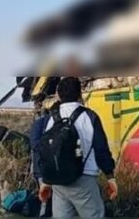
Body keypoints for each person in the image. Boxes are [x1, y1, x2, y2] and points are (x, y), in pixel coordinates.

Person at [33, 77, 118, 217]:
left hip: (58, 183)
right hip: (84, 181)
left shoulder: (52, 119)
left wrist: (44, 182)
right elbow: (101, 150)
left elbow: (43, 151)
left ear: (59, 95)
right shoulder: (90, 117)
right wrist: (110, 177)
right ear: (79, 94)